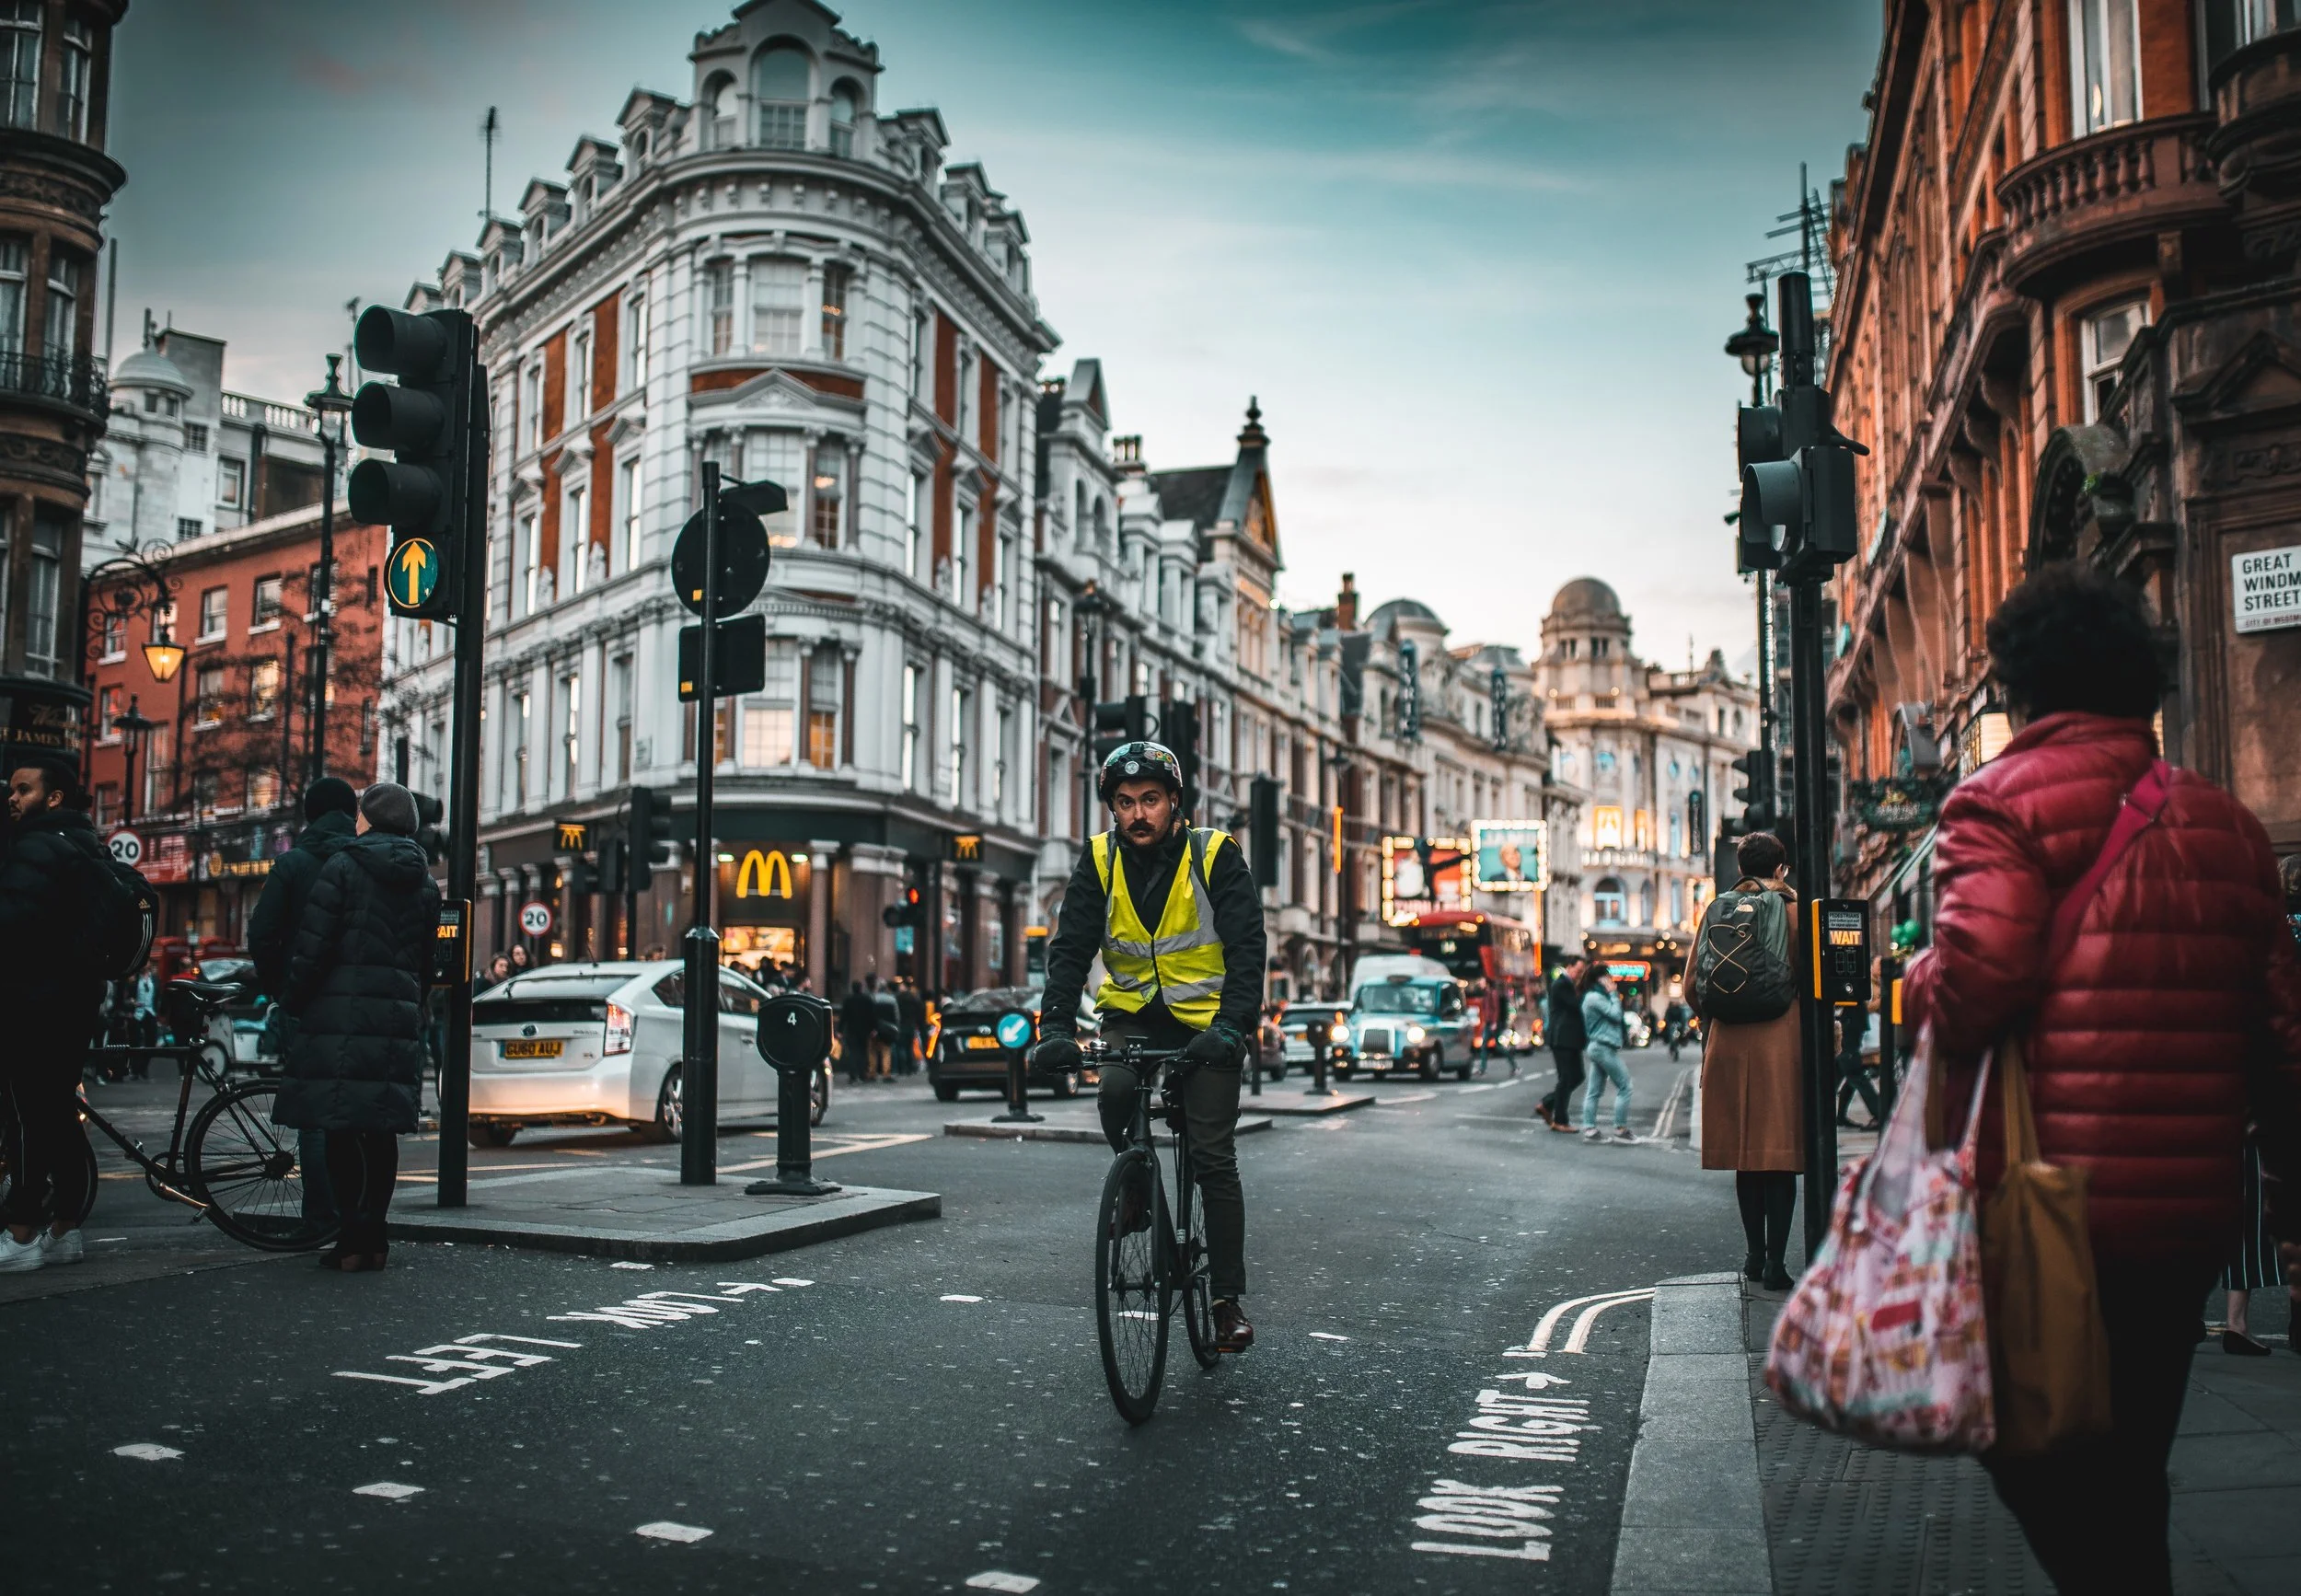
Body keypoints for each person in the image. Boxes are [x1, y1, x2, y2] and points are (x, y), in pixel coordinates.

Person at [1902, 563, 2301, 1593]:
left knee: (2026, 1451)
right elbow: (2283, 1045)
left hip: (2048, 1206)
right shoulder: (2228, 824)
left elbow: (1972, 991)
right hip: (2188, 1216)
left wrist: (1914, 979)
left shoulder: (1993, 805)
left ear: (2020, 683)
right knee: (2132, 1460)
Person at [1030, 739, 1267, 1353]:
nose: (1139, 814)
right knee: (1113, 1090)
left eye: (1151, 800)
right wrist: (1054, 1028)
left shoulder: (1214, 854)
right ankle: (1137, 1188)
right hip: (1132, 1015)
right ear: (1113, 807)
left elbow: (1247, 947)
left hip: (1206, 1022)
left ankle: (1225, 1302)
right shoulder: (1099, 859)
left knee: (1212, 1155)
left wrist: (1233, 1028)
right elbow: (1071, 948)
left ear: (1175, 802)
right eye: (1126, 802)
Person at [273, 782, 442, 1272]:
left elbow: (314, 945)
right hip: (396, 1018)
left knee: (342, 1129)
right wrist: (412, 1003)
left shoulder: (343, 867)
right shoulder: (425, 882)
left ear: (368, 818)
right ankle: (375, 1238)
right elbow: (428, 961)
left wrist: (293, 998)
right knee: (381, 1133)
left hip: (340, 1016)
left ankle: (350, 1241)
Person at [0, 756, 114, 1272]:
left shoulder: (36, 846)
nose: (12, 798)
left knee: (26, 1114)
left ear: (53, 797)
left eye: (23, 790)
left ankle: (22, 1233)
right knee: (57, 1113)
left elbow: (13, 925)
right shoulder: (86, 843)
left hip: (33, 1001)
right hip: (75, 1000)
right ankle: (65, 1229)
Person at [1692, 830, 1802, 1290]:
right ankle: (1777, 1262)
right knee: (1778, 1156)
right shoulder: (1794, 911)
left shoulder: (1716, 910)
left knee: (1746, 1157)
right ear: (1780, 868)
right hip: (1781, 1043)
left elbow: (1691, 986)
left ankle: (1754, 1256)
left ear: (1739, 869)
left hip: (1728, 1046)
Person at [247, 776, 360, 1222]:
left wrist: (284, 991)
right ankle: (354, 1218)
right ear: (352, 814)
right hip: (359, 1003)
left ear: (310, 815)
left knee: (314, 1117)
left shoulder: (292, 864)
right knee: (355, 1114)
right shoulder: (364, 862)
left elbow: (262, 934)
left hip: (306, 1003)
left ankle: (319, 1217)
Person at [1578, 964, 1634, 1142]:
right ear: (1600, 979)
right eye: (1608, 977)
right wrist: (1613, 994)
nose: (1611, 980)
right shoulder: (1595, 998)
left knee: (1594, 1091)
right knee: (1625, 1086)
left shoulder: (1594, 996)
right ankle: (1620, 1128)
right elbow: (1616, 1015)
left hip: (1599, 1047)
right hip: (1603, 1047)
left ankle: (1590, 1129)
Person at [1535, 956, 1588, 1131]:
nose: (1579, 975)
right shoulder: (1561, 984)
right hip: (1562, 1038)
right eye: (1578, 971)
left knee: (1577, 1076)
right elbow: (1576, 1005)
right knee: (1566, 1078)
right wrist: (1584, 989)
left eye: (1582, 972)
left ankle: (1547, 1104)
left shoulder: (1568, 984)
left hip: (1570, 1039)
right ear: (1569, 967)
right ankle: (1560, 1120)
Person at [838, 979, 875, 1085]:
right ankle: (863, 1074)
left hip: (851, 1030)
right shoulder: (867, 999)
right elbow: (872, 1015)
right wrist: (873, 1028)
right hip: (864, 1030)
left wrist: (840, 1030)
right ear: (861, 988)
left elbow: (843, 1016)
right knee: (863, 1052)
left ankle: (853, 1075)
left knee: (853, 1052)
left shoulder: (848, 1000)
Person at [870, 975, 901, 1081]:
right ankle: (886, 1073)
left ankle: (872, 1072)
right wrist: (896, 1027)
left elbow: (870, 1014)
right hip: (888, 1028)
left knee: (872, 1051)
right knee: (886, 1051)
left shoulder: (873, 998)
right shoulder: (892, 1000)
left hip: (875, 1027)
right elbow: (896, 1016)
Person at [896, 977, 927, 1076]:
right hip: (911, 1025)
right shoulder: (914, 998)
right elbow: (920, 1011)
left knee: (901, 1047)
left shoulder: (898, 998)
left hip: (901, 1024)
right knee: (909, 1047)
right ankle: (910, 1068)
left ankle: (902, 1068)